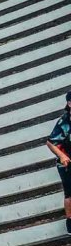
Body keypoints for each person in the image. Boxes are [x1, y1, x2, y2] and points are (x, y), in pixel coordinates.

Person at [44, 91, 71, 235]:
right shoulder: (64, 122)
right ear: (69, 103)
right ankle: (70, 221)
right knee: (70, 193)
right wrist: (61, 156)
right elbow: (50, 142)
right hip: (67, 162)